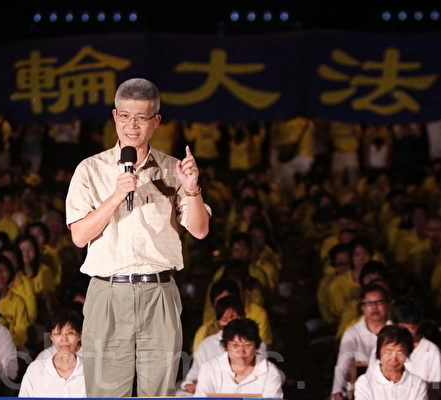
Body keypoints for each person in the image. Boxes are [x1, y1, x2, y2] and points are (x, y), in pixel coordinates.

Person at [65, 78, 211, 396]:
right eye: (126, 116)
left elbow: (200, 230)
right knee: (105, 391)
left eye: (141, 118)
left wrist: (192, 189)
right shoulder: (90, 169)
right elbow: (79, 236)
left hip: (159, 292)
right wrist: (116, 196)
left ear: (156, 121)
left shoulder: (174, 169)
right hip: (108, 292)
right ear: (115, 116)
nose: (132, 126)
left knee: (158, 392)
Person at [193, 318, 283, 398]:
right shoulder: (210, 368)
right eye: (235, 345)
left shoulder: (269, 372)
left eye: (247, 345)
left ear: (256, 346)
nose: (241, 351)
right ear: (226, 346)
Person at [332, 284, 391, 400]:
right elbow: (343, 365)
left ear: (387, 304)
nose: (374, 307)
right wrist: (337, 391)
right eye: (368, 303)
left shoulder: (397, 331)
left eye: (379, 302)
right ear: (362, 307)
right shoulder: (352, 333)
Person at [18, 306, 85, 397]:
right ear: (51, 337)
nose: (64, 339)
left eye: (70, 333)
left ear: (80, 336)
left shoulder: (90, 370)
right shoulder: (36, 370)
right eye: (58, 333)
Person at [354, 325, 427, 400]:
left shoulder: (418, 384)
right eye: (388, 352)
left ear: (407, 353)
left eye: (400, 352)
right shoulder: (365, 382)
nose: (394, 358)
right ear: (379, 351)